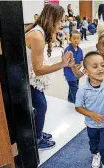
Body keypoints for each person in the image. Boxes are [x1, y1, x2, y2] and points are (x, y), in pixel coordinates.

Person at [25, 4, 73, 150]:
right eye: (60, 21)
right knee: (41, 106)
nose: (62, 24)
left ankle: (36, 132)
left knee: (41, 105)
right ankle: (37, 139)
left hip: (28, 76)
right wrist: (62, 64)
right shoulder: (37, 36)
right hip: (26, 78)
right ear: (52, 20)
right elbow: (38, 70)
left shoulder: (40, 32)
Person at [64, 31, 83, 104]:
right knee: (75, 89)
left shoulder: (80, 50)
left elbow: (81, 60)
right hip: (69, 74)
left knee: (72, 88)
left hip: (77, 74)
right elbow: (65, 63)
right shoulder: (67, 50)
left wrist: (80, 65)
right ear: (70, 39)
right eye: (74, 38)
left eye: (78, 38)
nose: (76, 40)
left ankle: (70, 101)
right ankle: (77, 104)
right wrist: (73, 66)